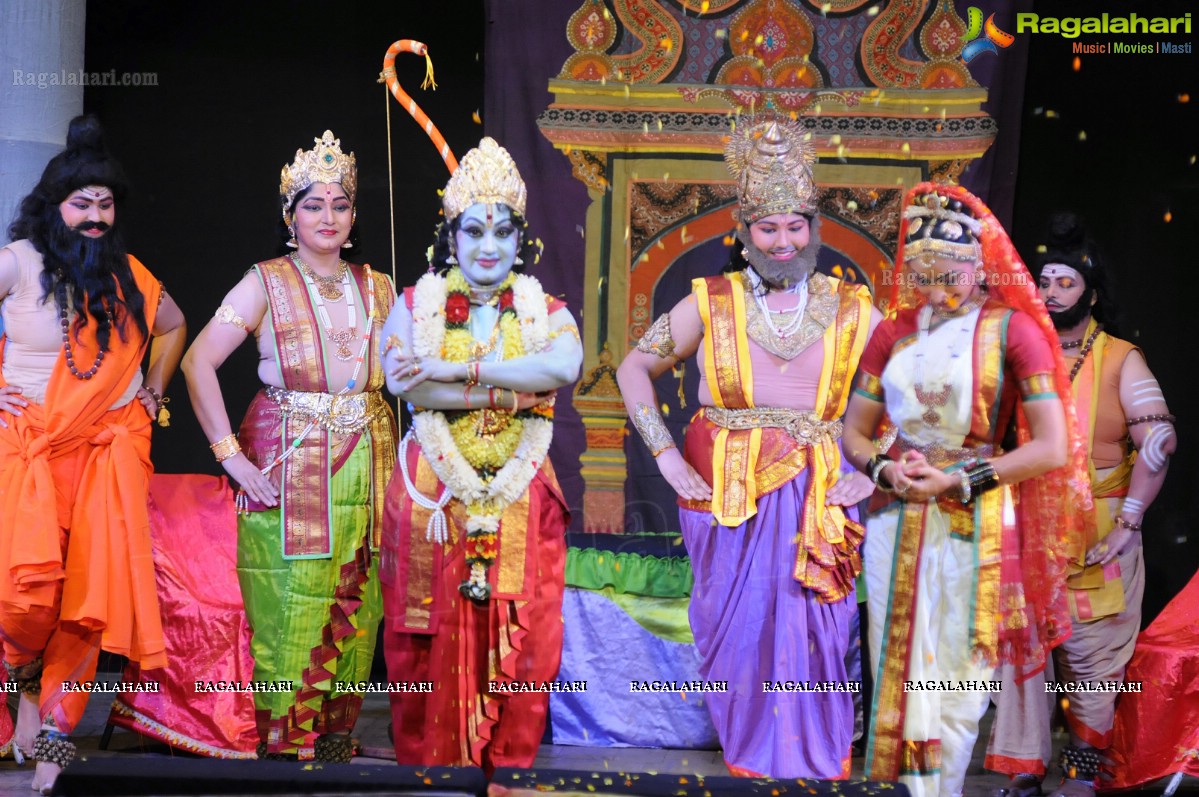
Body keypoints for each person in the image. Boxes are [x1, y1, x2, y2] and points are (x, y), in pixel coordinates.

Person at [616, 117, 880, 779]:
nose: (784, 242)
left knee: (813, 630)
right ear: (743, 230)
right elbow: (630, 370)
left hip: (819, 487)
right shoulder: (710, 301)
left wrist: (874, 468)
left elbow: (911, 387)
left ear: (815, 229)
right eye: (768, 228)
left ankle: (814, 758)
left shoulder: (852, 307)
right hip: (726, 488)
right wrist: (667, 458)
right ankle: (749, 762)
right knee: (738, 630)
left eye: (796, 227)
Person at [842, 183, 1092, 797]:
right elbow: (852, 430)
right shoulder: (893, 332)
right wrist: (882, 470)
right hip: (894, 513)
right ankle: (916, 790)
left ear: (981, 264)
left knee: (958, 669)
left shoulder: (1014, 331)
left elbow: (1051, 447)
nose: (935, 289)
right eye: (922, 273)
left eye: (948, 272)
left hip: (974, 511)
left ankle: (943, 788)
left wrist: (958, 479)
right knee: (893, 662)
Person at [181, 130, 396, 762]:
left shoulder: (380, 287)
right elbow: (198, 363)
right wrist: (232, 457)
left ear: (354, 218)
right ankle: (283, 741)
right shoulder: (264, 283)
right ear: (290, 216)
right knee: (288, 594)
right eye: (313, 205)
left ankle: (334, 738)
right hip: (289, 457)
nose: (327, 217)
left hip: (369, 453)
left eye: (339, 204)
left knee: (362, 594)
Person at [379, 137, 582, 772]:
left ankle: (508, 772)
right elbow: (401, 383)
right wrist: (515, 389)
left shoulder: (546, 311)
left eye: (501, 233)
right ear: (451, 237)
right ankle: (430, 774)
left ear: (521, 241)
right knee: (424, 629)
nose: (487, 247)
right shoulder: (414, 304)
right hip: (432, 494)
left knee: (528, 630)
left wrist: (447, 368)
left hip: (520, 492)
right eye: (473, 232)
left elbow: (564, 366)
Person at [0, 114, 186, 793]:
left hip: (105, 459)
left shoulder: (127, 275)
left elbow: (173, 326)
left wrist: (153, 391)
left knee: (86, 604)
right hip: (26, 458)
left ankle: (56, 736)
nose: (96, 215)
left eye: (106, 204)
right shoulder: (16, 260)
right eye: (83, 203)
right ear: (54, 206)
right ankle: (23, 687)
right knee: (24, 601)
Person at [987, 213, 1175, 797]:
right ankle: (1023, 769)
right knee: (1020, 654)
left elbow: (1160, 442)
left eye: (1065, 282)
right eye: (1043, 282)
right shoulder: (1018, 354)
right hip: (1025, 530)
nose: (1050, 293)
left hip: (1100, 529)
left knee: (1094, 662)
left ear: (1091, 292)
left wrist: (1128, 522)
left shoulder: (1121, 357)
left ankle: (1082, 775)